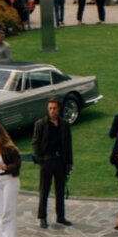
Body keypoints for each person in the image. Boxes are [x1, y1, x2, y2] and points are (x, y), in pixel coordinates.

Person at [32, 98, 73, 228]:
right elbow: (35, 142)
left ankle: (60, 216)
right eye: (50, 108)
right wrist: (41, 159)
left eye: (54, 108)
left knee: (60, 191)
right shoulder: (41, 124)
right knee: (44, 190)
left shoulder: (64, 124)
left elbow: (68, 145)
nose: (52, 111)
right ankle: (42, 217)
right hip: (47, 161)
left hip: (60, 160)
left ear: (59, 109)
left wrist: (69, 163)